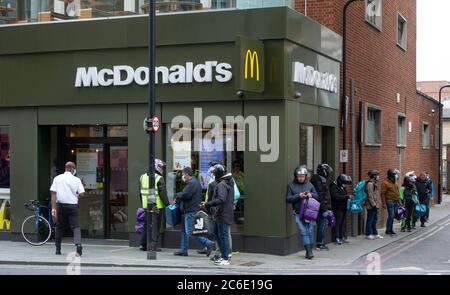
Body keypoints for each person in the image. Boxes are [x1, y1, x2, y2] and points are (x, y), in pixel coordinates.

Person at [173, 167, 214, 256]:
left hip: (190, 211)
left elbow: (185, 195)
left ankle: (208, 243)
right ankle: (183, 250)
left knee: (190, 231)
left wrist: (177, 195)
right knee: (184, 231)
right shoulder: (193, 182)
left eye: (183, 175)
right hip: (188, 210)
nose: (182, 177)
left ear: (187, 174)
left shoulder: (192, 183)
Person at [202, 164, 234, 266]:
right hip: (222, 214)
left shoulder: (222, 185)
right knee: (219, 234)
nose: (213, 175)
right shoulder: (226, 182)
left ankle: (225, 257)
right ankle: (224, 255)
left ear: (218, 174)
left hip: (222, 214)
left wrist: (207, 204)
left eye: (214, 173)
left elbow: (221, 199)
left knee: (223, 236)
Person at [50, 162, 85, 256]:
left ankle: (58, 249)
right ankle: (78, 244)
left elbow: (53, 193)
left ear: (66, 168)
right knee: (76, 227)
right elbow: (82, 194)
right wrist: (77, 194)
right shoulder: (77, 180)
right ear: (73, 169)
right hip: (73, 206)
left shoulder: (57, 178)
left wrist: (53, 208)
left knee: (59, 227)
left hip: (60, 206)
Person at [286, 166, 318, 259]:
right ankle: (309, 251)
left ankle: (310, 249)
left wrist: (311, 194)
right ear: (296, 176)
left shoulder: (310, 185)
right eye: (299, 176)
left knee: (310, 230)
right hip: (298, 212)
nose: (301, 178)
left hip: (309, 212)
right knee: (304, 231)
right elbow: (288, 199)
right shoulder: (291, 185)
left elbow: (317, 196)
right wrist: (299, 196)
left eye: (303, 176)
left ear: (305, 176)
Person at [139, 159, 170, 251]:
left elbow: (140, 193)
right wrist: (167, 204)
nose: (162, 169)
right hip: (157, 206)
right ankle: (153, 245)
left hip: (146, 205)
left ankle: (143, 244)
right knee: (155, 226)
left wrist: (144, 204)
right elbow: (162, 193)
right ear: (157, 167)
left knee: (146, 225)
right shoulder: (159, 178)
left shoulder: (142, 177)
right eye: (161, 167)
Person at [310, 163, 333, 251]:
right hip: (319, 207)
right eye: (327, 172)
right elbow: (320, 196)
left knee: (319, 225)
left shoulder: (319, 180)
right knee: (321, 225)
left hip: (318, 207)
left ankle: (317, 244)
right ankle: (320, 244)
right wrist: (324, 209)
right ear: (324, 172)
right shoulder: (319, 181)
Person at [330, 174, 352, 245]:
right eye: (344, 183)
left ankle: (341, 236)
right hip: (337, 208)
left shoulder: (341, 186)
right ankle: (337, 238)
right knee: (338, 223)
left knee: (342, 223)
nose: (345, 185)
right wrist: (347, 196)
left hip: (343, 208)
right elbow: (336, 197)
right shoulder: (334, 187)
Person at [381, 169, 400, 235]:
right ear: (390, 175)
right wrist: (383, 203)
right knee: (391, 215)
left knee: (393, 215)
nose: (395, 176)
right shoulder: (385, 183)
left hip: (395, 201)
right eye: (394, 175)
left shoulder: (394, 181)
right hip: (389, 201)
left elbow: (397, 191)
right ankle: (388, 230)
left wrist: (399, 200)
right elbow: (382, 193)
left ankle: (390, 229)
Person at [365, 170, 383, 240]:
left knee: (374, 220)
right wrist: (374, 205)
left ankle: (375, 233)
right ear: (374, 176)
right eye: (377, 175)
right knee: (370, 220)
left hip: (375, 205)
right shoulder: (370, 184)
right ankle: (368, 234)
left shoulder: (374, 183)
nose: (378, 177)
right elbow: (370, 196)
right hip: (371, 206)